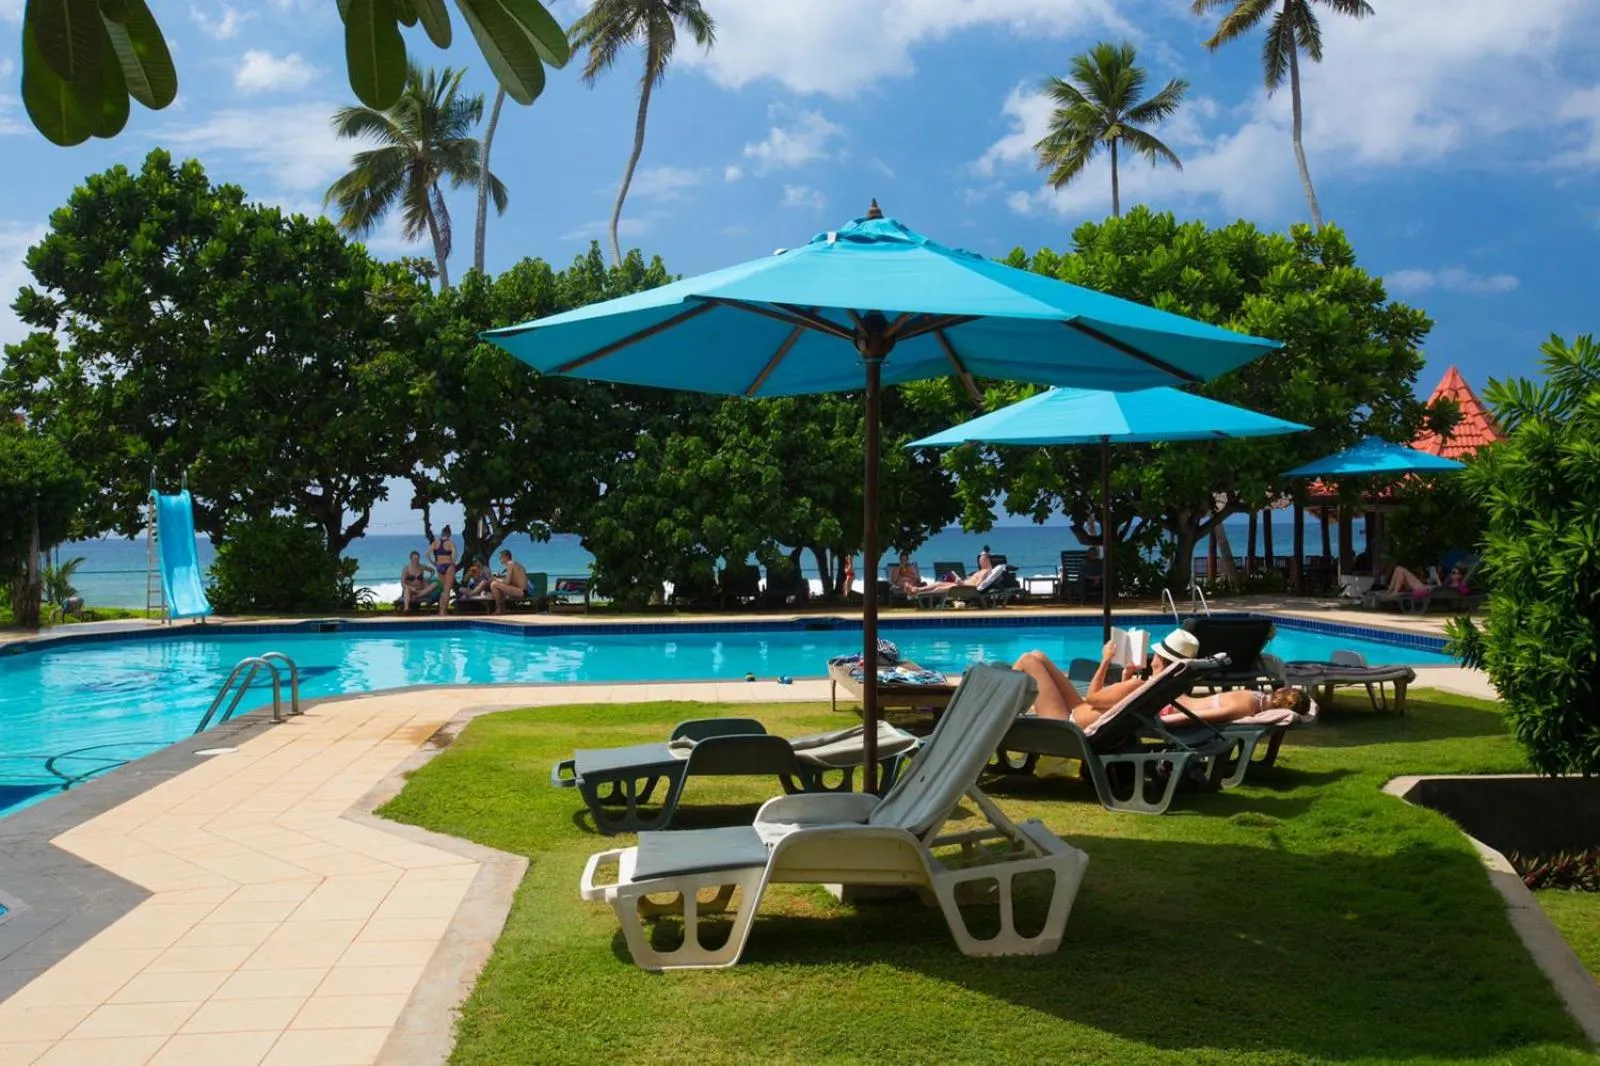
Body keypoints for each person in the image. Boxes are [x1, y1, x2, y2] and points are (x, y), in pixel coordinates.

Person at [1011, 628, 1312, 730]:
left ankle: (992, 707)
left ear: (1161, 661)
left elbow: (1092, 698)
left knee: (1027, 660)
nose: (1152, 656)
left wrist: (1104, 662)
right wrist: (1127, 678)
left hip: (1070, 723)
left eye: (1156, 654)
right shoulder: (1160, 688)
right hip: (1084, 714)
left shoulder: (1144, 687)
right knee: (1037, 655)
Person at [429, 525, 458, 616]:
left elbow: (427, 554)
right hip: (448, 565)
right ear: (449, 534)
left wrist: (433, 562)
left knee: (443, 590)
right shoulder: (450, 543)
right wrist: (452, 563)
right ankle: (443, 611)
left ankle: (441, 611)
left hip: (439, 566)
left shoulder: (435, 543)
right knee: (447, 590)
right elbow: (454, 554)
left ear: (442, 533)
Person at [489, 549, 529, 613]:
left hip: (521, 591)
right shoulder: (514, 564)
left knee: (493, 584)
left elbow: (507, 582)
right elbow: (511, 582)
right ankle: (502, 608)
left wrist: (495, 579)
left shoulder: (510, 563)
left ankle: (499, 609)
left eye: (500, 557)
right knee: (496, 590)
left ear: (506, 557)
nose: (499, 559)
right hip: (522, 590)